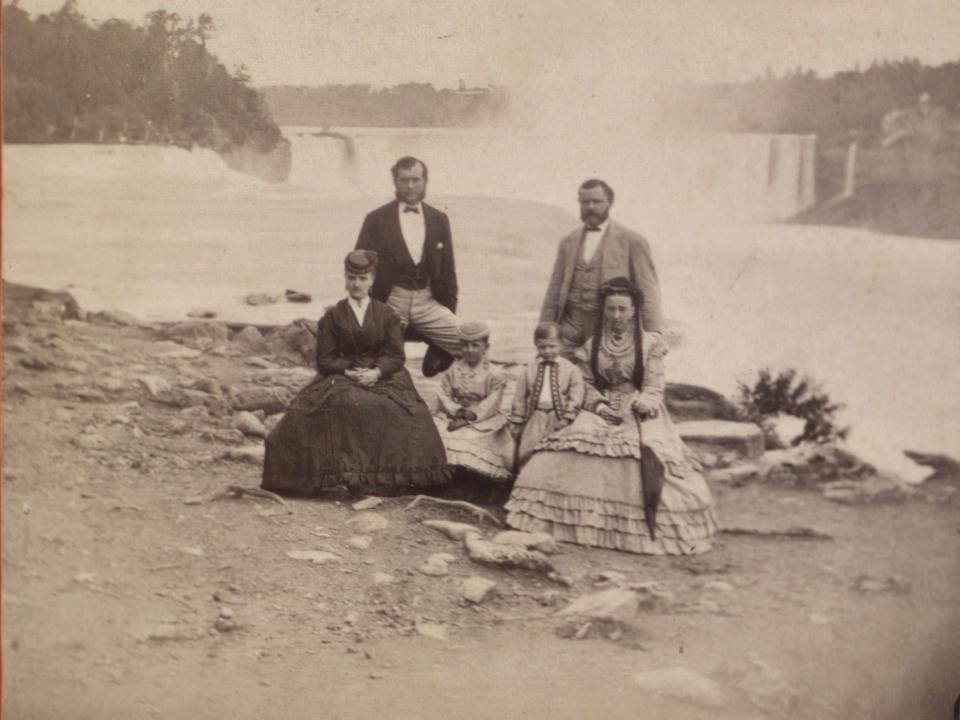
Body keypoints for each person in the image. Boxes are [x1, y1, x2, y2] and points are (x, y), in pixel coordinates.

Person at [505, 277, 717, 555]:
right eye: (611, 309)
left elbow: (654, 386)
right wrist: (601, 406)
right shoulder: (593, 344)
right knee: (563, 450)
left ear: (634, 311)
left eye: (622, 309)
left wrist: (643, 402)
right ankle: (572, 526)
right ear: (603, 311)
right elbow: (586, 384)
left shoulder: (650, 344)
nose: (616, 316)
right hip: (600, 409)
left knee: (643, 457)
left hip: (641, 411)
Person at [261, 250, 449, 496]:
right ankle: (343, 475)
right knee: (339, 404)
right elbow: (325, 359)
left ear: (372, 280)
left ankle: (387, 481)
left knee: (400, 410)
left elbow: (395, 356)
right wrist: (348, 371)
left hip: (383, 375)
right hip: (342, 375)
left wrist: (376, 373)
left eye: (362, 278)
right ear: (345, 279)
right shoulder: (332, 316)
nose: (357, 284)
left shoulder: (387, 314)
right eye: (351, 278)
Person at [355, 156, 460, 377]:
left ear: (425, 181)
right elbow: (359, 269)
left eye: (416, 179)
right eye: (404, 180)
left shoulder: (439, 219)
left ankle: (438, 350)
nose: (410, 186)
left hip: (428, 300)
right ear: (395, 182)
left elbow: (448, 271)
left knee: (471, 342)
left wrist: (447, 313)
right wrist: (365, 311)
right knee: (376, 360)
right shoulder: (376, 219)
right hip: (391, 299)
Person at [540, 179, 663, 360]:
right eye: (585, 202)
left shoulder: (632, 241)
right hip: (569, 331)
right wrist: (544, 329)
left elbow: (648, 290)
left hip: (609, 331)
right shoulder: (568, 242)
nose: (590, 207)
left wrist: (654, 333)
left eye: (596, 202)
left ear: (609, 203)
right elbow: (554, 289)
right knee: (560, 380)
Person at [433, 321, 514, 481]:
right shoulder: (453, 370)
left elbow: (492, 403)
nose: (470, 350)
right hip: (453, 415)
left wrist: (468, 418)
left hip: (481, 419)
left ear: (486, 347)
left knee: (472, 438)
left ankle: (471, 478)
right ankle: (446, 475)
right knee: (436, 432)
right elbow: (442, 394)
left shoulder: (494, 374)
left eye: (475, 345)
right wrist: (456, 411)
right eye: (465, 346)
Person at [508, 322, 585, 469]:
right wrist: (518, 420)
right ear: (536, 345)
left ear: (561, 344)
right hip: (535, 416)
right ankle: (525, 481)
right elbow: (520, 397)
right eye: (542, 347)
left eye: (552, 346)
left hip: (559, 417)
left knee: (556, 451)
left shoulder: (571, 370)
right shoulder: (529, 370)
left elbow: (576, 395)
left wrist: (568, 417)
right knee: (527, 449)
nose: (547, 351)